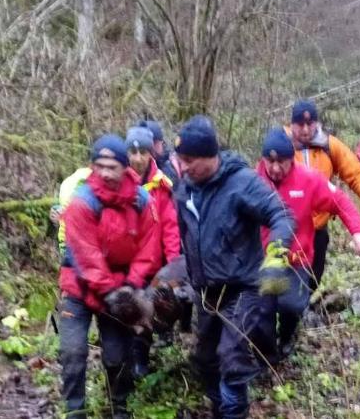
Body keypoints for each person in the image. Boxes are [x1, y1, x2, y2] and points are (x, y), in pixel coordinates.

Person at [173, 116, 295, 419]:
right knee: (204, 360)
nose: (183, 167)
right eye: (180, 160)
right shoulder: (185, 190)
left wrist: (277, 255)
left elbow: (281, 215)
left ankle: (234, 412)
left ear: (209, 156)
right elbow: (185, 237)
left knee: (232, 357)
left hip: (243, 287)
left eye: (189, 160)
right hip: (206, 291)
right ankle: (220, 409)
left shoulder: (242, 183)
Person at [57, 134, 161, 419]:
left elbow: (149, 248)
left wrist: (131, 287)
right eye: (98, 165)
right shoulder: (81, 203)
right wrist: (113, 293)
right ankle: (75, 410)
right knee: (73, 353)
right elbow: (86, 256)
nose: (104, 172)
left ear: (124, 168)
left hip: (122, 288)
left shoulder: (142, 201)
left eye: (111, 166)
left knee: (117, 356)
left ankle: (120, 407)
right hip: (79, 289)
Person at [257, 128, 360, 359]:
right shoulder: (253, 181)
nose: (276, 168)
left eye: (282, 162)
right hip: (264, 259)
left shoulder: (308, 179)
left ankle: (287, 335)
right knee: (262, 311)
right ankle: (267, 357)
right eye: (270, 162)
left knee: (290, 306)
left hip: (296, 259)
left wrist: (357, 232)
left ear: (292, 160)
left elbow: (339, 200)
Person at [286, 99, 360, 289]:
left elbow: (354, 172)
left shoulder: (329, 146)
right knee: (289, 278)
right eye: (300, 124)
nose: (305, 130)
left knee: (314, 275)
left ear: (317, 123)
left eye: (309, 124)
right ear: (292, 125)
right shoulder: (282, 145)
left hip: (319, 226)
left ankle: (306, 306)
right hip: (289, 227)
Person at [124, 125, 182, 379]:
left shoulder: (162, 186)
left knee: (146, 310)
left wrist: (172, 268)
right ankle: (129, 360)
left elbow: (171, 230)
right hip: (125, 262)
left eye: (143, 152)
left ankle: (141, 358)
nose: (137, 158)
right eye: (133, 152)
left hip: (153, 264)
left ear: (151, 153)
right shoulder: (118, 182)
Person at [139, 118, 182, 184]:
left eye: (154, 143)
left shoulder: (170, 168)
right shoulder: (135, 167)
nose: (150, 148)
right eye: (145, 144)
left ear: (161, 143)